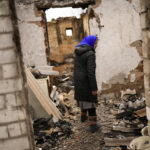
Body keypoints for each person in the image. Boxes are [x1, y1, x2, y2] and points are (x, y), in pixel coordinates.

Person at [74, 35, 99, 133]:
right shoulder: (90, 54)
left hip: (78, 79)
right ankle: (93, 126)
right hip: (87, 80)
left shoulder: (78, 51)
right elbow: (90, 72)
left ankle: (83, 117)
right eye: (95, 43)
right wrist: (94, 88)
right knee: (91, 101)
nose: (96, 46)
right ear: (91, 43)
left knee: (83, 98)